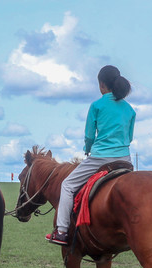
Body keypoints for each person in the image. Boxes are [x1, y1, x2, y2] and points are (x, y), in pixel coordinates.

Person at [46, 65, 136, 246]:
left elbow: (89, 136)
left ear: (102, 85)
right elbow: (130, 137)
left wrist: (88, 149)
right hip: (125, 160)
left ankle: (62, 231)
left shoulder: (97, 105)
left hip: (100, 157)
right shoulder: (130, 110)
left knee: (68, 186)